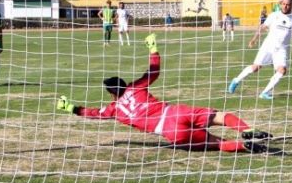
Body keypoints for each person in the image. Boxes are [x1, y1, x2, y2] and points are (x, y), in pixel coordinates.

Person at [57, 34, 272, 153]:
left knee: (214, 143)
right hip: (176, 113)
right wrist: (152, 48)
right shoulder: (136, 87)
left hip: (169, 132)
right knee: (222, 116)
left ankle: (244, 146)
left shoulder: (114, 110)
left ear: (111, 94)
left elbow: (94, 113)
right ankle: (248, 129)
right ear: (124, 84)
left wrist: (71, 108)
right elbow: (154, 71)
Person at [228, 0, 292, 100]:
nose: (285, 6)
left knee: (282, 70)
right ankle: (236, 80)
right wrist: (254, 39)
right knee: (255, 68)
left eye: (288, 5)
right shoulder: (274, 15)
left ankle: (264, 93)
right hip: (268, 46)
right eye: (283, 4)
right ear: (280, 4)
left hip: (282, 49)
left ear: (291, 5)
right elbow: (263, 27)